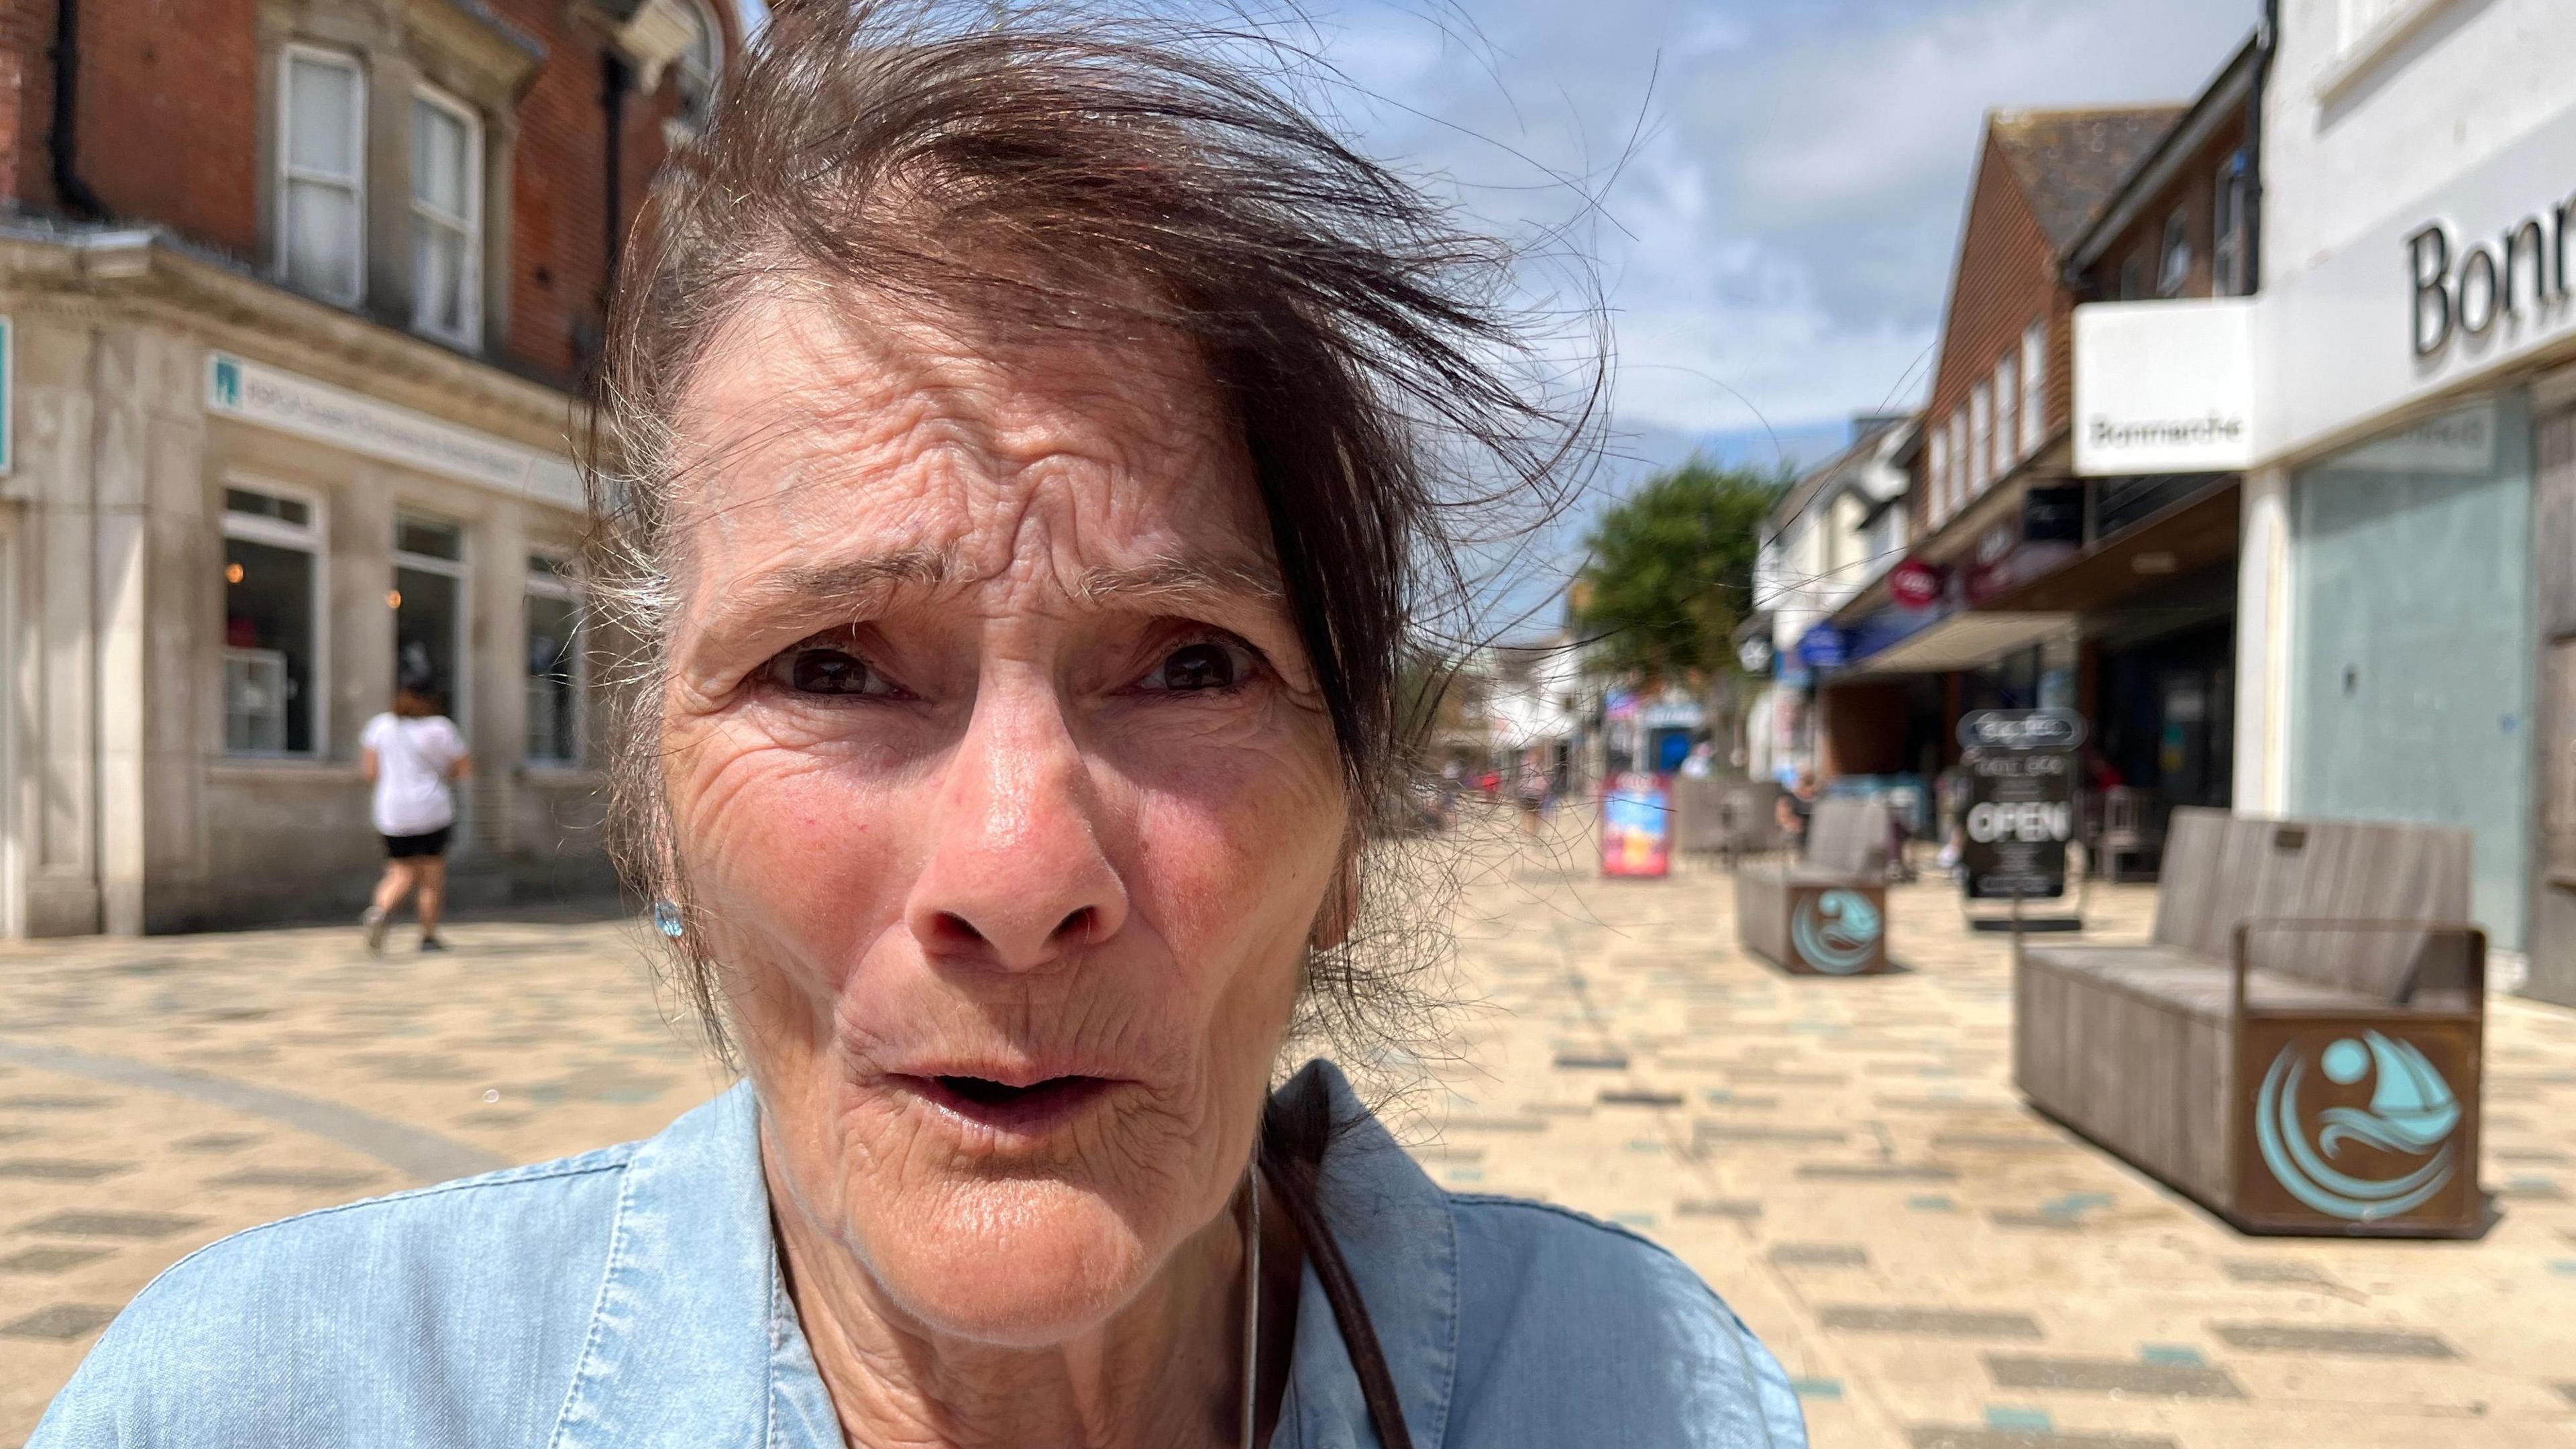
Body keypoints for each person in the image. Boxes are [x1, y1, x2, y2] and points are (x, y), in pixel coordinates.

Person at [34, 8, 1803, 1448]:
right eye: (832, 668)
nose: (1020, 875)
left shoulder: (1638, 1388)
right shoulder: (263, 1404)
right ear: (657, 814)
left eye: (1191, 662)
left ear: (1350, 832)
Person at [357, 681, 470, 954]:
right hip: (432, 808)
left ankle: (380, 911)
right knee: (431, 876)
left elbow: (371, 772)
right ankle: (428, 936)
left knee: (399, 870)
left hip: (392, 810)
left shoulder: (380, 727)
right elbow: (463, 769)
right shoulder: (441, 728)